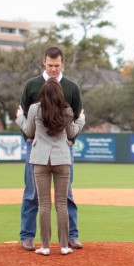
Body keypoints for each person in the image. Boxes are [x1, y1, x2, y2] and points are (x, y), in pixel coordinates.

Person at [18, 47, 84, 251]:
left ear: (62, 62)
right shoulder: (32, 85)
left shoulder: (71, 87)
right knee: (32, 193)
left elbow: (74, 114)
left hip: (62, 146)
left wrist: (72, 138)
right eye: (50, 65)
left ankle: (72, 236)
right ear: (43, 63)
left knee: (67, 195)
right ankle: (27, 236)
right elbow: (28, 115)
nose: (53, 69)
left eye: (56, 65)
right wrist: (28, 138)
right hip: (37, 146)